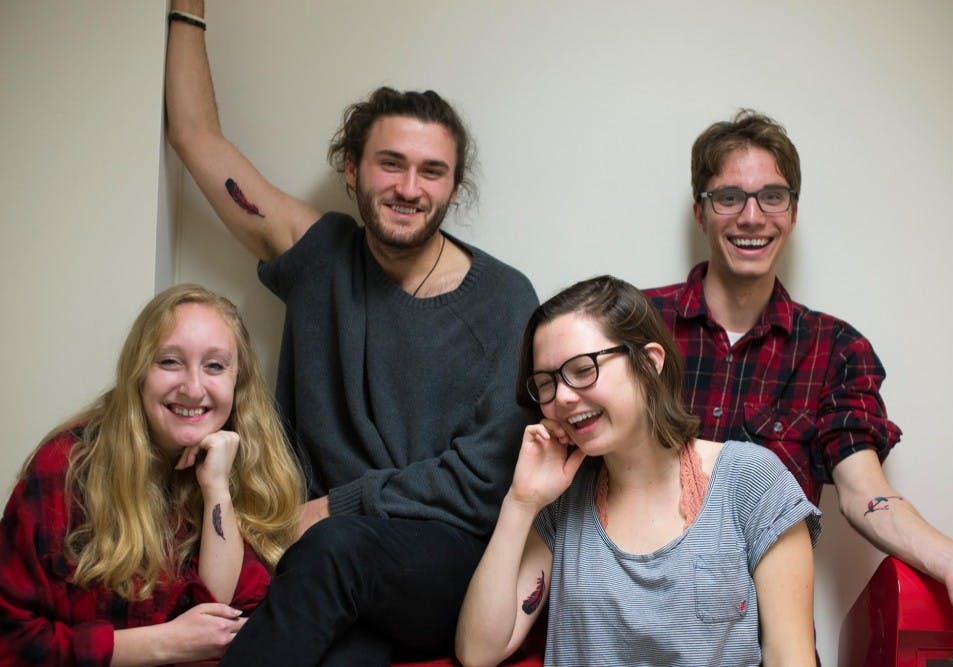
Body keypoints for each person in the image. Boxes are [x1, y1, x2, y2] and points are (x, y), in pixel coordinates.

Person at [164, 2, 538, 663]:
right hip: (331, 568)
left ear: (454, 187)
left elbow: (485, 481)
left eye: (432, 171)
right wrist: (186, 10)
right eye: (390, 163)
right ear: (351, 168)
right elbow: (196, 136)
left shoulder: (504, 299)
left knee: (335, 549)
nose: (409, 188)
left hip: (445, 560)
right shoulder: (319, 257)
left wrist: (342, 506)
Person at [643, 109, 953, 630]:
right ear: (701, 213)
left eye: (772, 196)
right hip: (633, 626)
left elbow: (865, 492)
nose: (751, 217)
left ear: (792, 213)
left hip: (769, 641)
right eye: (729, 197)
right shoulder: (634, 326)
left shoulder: (836, 350)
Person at [455, 275, 822, 667]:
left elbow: (790, 656)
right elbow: (478, 652)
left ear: (649, 362)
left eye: (582, 369)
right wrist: (521, 501)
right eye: (547, 383)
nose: (562, 397)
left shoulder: (752, 480)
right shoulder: (561, 500)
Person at [0, 284, 304, 665]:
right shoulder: (64, 469)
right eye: (170, 362)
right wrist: (164, 643)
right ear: (139, 372)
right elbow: (11, 640)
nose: (193, 388)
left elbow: (220, 618)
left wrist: (216, 489)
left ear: (238, 381)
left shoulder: (246, 468)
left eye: (214, 366)